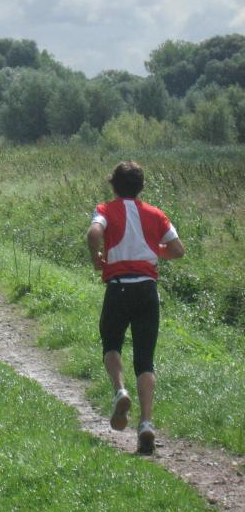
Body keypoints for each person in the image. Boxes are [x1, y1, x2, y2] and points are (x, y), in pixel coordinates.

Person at [86, 160, 185, 455]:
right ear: (141, 187)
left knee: (111, 344)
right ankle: (145, 424)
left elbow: (94, 233)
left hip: (119, 288)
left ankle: (120, 391)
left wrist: (96, 257)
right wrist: (153, 251)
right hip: (147, 290)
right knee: (145, 360)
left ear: (114, 185)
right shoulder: (156, 214)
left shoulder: (105, 210)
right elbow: (178, 250)